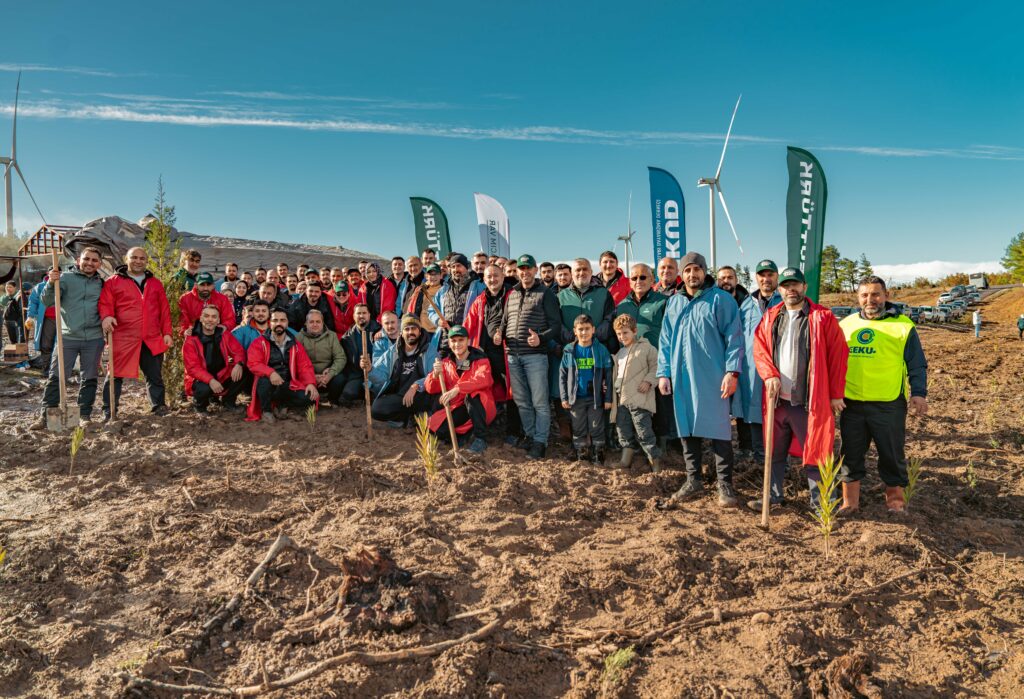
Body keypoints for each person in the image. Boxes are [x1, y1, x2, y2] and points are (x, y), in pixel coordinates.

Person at [751, 267, 848, 512]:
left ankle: (822, 504)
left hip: (808, 401)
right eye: (785, 285)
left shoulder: (822, 317)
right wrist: (769, 375)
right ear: (780, 289)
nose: (790, 289)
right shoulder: (771, 316)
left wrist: (836, 394)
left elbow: (838, 356)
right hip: (777, 401)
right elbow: (760, 350)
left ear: (804, 287)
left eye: (795, 284)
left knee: (817, 451)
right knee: (774, 452)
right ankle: (773, 496)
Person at [657, 252, 743, 508]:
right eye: (687, 270)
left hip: (713, 376)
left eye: (697, 269)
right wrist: (664, 372)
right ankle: (693, 479)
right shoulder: (674, 303)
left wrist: (732, 372)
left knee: (719, 428)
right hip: (682, 375)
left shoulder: (721, 299)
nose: (692, 274)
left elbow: (734, 338)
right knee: (687, 426)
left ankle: (725, 484)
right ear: (681, 274)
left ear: (705, 272)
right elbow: (665, 340)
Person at [839, 276, 928, 514]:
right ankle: (849, 503)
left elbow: (917, 364)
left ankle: (895, 503)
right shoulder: (845, 325)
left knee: (891, 454)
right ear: (858, 298)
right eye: (865, 295)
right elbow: (833, 362)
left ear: (886, 296)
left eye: (875, 294)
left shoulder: (903, 326)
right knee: (850, 454)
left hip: (888, 404)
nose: (870, 299)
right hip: (851, 403)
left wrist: (919, 393)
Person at [497, 254, 562, 458]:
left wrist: (541, 338)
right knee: (521, 401)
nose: (524, 272)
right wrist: (499, 333)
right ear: (517, 271)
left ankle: (540, 442)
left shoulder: (546, 293)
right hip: (512, 356)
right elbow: (504, 321)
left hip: (535, 357)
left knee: (539, 402)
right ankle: (530, 435)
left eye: (528, 268)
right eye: (521, 268)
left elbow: (556, 325)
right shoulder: (512, 294)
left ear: (535, 270)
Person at [98, 247, 173, 420]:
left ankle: (158, 406)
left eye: (142, 258)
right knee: (115, 374)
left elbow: (164, 309)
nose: (138, 261)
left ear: (146, 261)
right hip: (123, 336)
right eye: (134, 257)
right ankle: (109, 410)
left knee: (154, 375)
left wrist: (167, 332)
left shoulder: (155, 283)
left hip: (151, 337)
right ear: (127, 259)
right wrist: (107, 316)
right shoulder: (113, 282)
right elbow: (105, 303)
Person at [34, 247, 106, 427]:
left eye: (94, 260)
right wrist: (51, 283)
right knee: (57, 376)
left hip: (94, 337)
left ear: (99, 264)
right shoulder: (64, 278)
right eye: (86, 259)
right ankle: (46, 416)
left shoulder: (102, 283)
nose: (89, 263)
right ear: (78, 260)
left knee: (89, 377)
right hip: (68, 336)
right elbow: (46, 301)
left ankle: (84, 415)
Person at [614, 263, 673, 449]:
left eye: (643, 277)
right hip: (632, 366)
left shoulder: (663, 301)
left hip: (656, 363)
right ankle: (639, 446)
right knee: (636, 405)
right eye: (634, 278)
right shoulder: (622, 305)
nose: (638, 281)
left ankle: (663, 444)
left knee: (661, 405)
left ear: (652, 279)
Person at [732, 260, 782, 464]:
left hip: (779, 369)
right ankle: (760, 458)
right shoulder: (747, 304)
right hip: (751, 369)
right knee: (753, 410)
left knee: (779, 414)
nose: (766, 279)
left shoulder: (784, 301)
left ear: (777, 277)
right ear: (756, 278)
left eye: (770, 275)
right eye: (762, 275)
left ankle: (779, 460)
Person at [464, 264, 516, 439]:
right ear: (484, 280)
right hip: (484, 354)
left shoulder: (512, 296)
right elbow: (468, 324)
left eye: (495, 276)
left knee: (512, 392)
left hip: (507, 353)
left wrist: (505, 335)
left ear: (503, 276)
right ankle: (488, 426)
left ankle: (513, 432)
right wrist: (457, 337)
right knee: (485, 389)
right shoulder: (480, 300)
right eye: (489, 277)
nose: (492, 279)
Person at [425, 325, 496, 455]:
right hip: (458, 406)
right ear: (449, 343)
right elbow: (430, 389)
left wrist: (458, 389)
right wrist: (434, 375)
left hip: (480, 407)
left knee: (473, 395)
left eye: (461, 340)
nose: (457, 344)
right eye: (453, 341)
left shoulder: (480, 359)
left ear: (468, 341)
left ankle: (481, 438)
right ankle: (466, 435)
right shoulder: (446, 362)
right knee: (436, 430)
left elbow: (484, 379)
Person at [245, 309, 318, 423]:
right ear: (269, 323)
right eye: (275, 320)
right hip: (269, 385)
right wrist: (271, 373)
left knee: (310, 398)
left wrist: (310, 383)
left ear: (287, 323)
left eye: (282, 320)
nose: (279, 323)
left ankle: (282, 407)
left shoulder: (295, 344)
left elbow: (304, 366)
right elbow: (254, 363)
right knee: (263, 381)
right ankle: (267, 411)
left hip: (288, 384)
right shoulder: (259, 342)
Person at [559, 314, 613, 463]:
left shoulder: (601, 350)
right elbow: (562, 375)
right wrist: (564, 397)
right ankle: (582, 456)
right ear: (575, 331)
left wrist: (608, 398)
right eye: (581, 329)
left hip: (595, 398)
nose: (584, 332)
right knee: (578, 428)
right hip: (576, 398)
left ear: (593, 330)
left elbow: (608, 376)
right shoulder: (569, 350)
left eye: (587, 329)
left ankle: (598, 456)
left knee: (596, 427)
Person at [611, 314, 661, 471]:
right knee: (623, 430)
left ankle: (655, 463)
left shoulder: (647, 348)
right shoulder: (620, 353)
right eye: (619, 334)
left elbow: (657, 367)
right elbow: (618, 375)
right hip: (622, 400)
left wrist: (648, 381)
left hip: (640, 399)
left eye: (625, 332)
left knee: (644, 432)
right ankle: (625, 461)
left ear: (634, 331)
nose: (622, 337)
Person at [369, 315, 436, 426]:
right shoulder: (393, 352)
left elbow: (433, 375)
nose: (410, 332)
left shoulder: (429, 350)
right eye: (407, 329)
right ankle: (410, 418)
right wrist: (370, 369)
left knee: (433, 400)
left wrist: (416, 386)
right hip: (400, 396)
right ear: (401, 333)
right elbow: (381, 377)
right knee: (377, 408)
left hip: (421, 395)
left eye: (414, 328)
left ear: (419, 332)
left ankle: (416, 415)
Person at [183, 305, 246, 414]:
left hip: (221, 375)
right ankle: (200, 406)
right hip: (200, 379)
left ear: (218, 320)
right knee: (204, 388)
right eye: (206, 316)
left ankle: (228, 401)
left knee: (244, 371)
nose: (210, 319)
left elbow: (238, 351)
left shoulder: (224, 334)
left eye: (214, 317)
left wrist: (239, 364)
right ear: (201, 318)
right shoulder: (191, 339)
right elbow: (193, 368)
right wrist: (211, 380)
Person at [429, 253, 486, 350]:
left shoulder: (478, 286)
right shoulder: (443, 289)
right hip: (446, 339)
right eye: (453, 267)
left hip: (468, 338)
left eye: (459, 266)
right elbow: (431, 310)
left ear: (466, 267)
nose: (455, 269)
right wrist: (438, 320)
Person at [296, 309, 348, 406]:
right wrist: (312, 377)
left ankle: (331, 400)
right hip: (308, 376)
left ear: (322, 323)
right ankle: (313, 401)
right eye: (311, 322)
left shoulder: (332, 336)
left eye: (318, 321)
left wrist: (330, 373)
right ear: (306, 324)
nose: (315, 324)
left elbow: (340, 358)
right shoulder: (299, 338)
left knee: (340, 378)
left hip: (327, 375)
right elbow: (296, 362)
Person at [339, 303, 381, 405]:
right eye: (358, 313)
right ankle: (361, 394)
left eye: (364, 313)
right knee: (346, 395)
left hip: (376, 373)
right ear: (354, 316)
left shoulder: (379, 331)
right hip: (357, 375)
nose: (361, 316)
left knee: (376, 397)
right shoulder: (347, 337)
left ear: (369, 315)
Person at [27, 274, 56, 370]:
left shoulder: (65, 283)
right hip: (47, 318)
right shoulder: (40, 287)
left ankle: (58, 369)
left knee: (62, 345)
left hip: (65, 319)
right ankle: (47, 367)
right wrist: (30, 316)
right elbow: (33, 302)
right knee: (46, 344)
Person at [405, 263, 443, 332]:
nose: (433, 277)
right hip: (422, 330)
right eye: (431, 274)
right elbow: (412, 309)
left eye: (436, 274)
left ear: (441, 276)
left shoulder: (446, 290)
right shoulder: (420, 290)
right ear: (426, 276)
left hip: (439, 330)